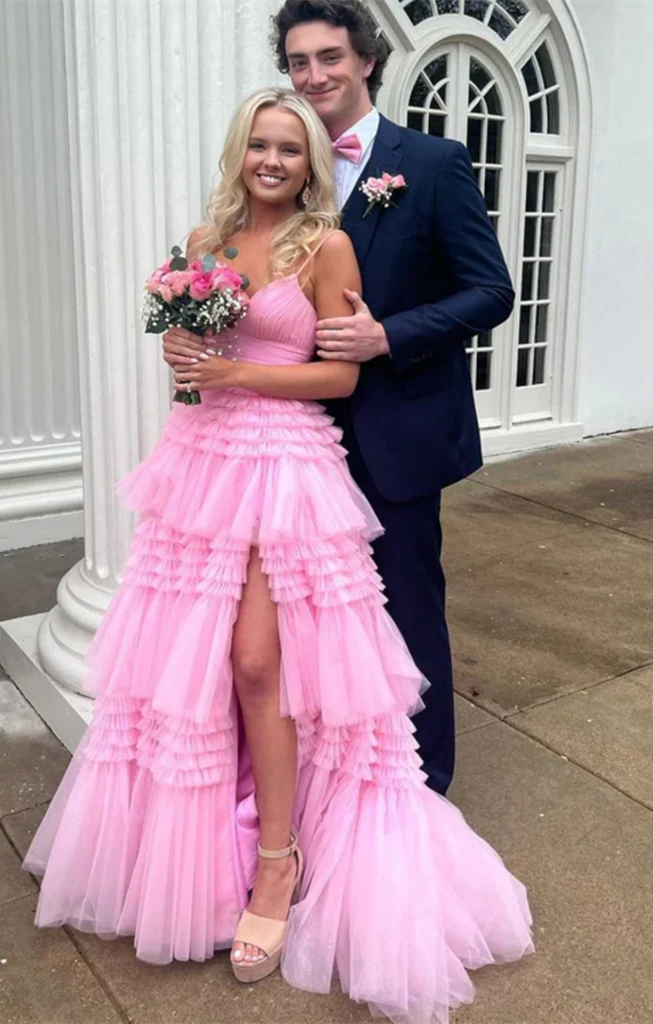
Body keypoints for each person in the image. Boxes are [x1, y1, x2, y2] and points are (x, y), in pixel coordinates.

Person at [24, 88, 532, 1024]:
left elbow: (340, 371)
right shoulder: (206, 242)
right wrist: (183, 350)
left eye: (289, 149)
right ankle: (201, 849)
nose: (272, 160)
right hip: (202, 463)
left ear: (309, 164)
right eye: (259, 145)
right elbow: (191, 353)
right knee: (192, 669)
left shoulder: (324, 246)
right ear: (240, 153)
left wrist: (234, 371)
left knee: (260, 660)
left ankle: (277, 861)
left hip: (287, 466)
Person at [163, 0, 515, 797]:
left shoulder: (430, 163)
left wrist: (386, 334)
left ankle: (418, 793)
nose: (314, 75)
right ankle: (320, 787)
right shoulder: (277, 168)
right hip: (280, 445)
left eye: (330, 57)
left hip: (395, 432)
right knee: (296, 631)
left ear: (365, 60)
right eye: (297, 62)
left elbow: (491, 291)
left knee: (402, 611)